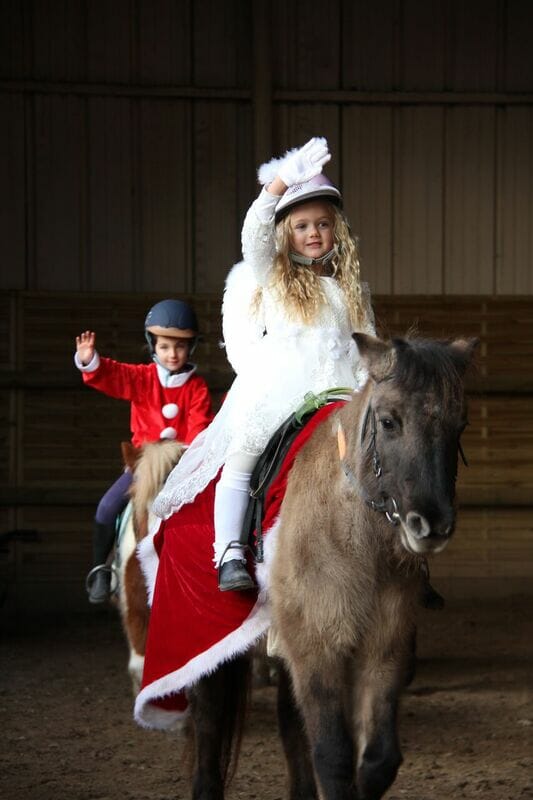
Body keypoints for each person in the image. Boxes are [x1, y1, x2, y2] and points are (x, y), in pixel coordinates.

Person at [151, 137, 376, 592]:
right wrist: (279, 183)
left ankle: (398, 553)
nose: (314, 233)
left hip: (338, 392)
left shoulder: (350, 291)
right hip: (282, 390)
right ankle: (229, 550)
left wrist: (369, 389)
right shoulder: (273, 277)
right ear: (285, 235)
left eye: (323, 224)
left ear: (338, 231)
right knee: (244, 453)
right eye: (301, 226)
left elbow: (367, 344)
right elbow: (253, 233)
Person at [75, 299, 213, 603]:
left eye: (179, 347)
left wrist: (185, 456)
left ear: (190, 348)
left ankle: (214, 570)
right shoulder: (142, 378)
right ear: (153, 346)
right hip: (141, 468)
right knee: (106, 507)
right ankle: (101, 570)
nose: (172, 354)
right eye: (165, 347)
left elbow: (200, 428)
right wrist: (90, 360)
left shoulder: (197, 388)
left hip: (182, 468)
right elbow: (113, 376)